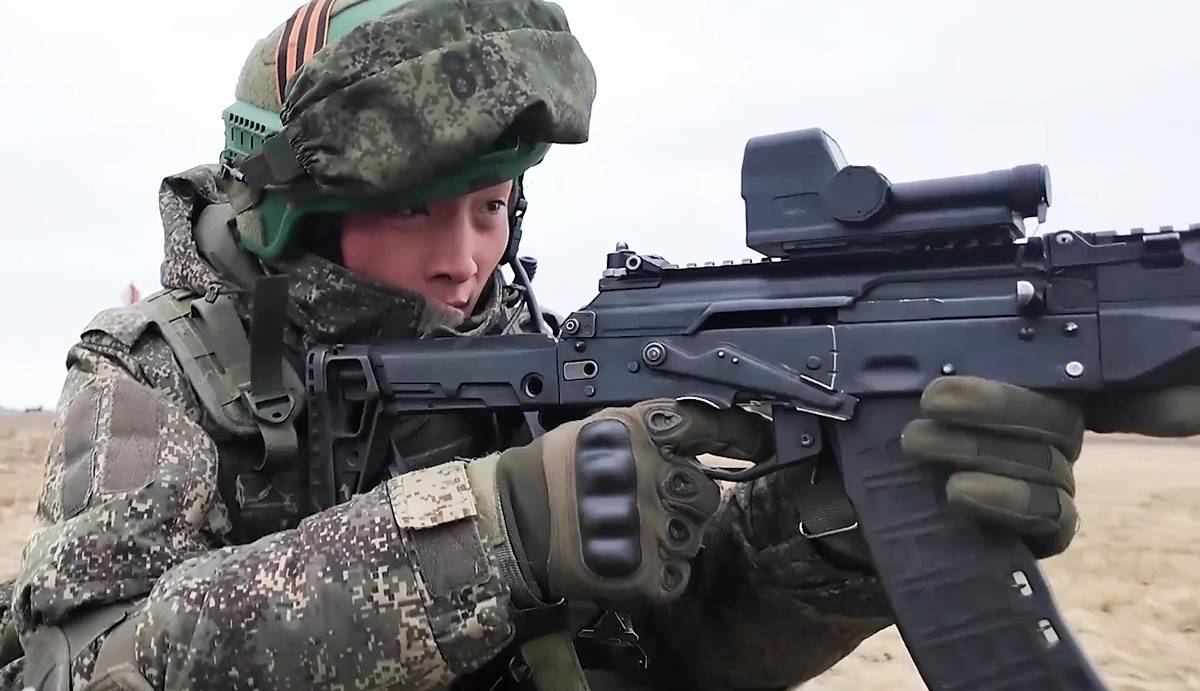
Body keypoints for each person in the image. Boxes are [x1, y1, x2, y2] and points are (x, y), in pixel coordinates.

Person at [2, 1, 1197, 689]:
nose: (465, 258)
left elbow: (675, 651)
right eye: (414, 209)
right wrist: (499, 528)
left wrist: (843, 534)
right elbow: (80, 667)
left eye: (491, 207)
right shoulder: (162, 370)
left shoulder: (528, 353)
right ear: (297, 213)